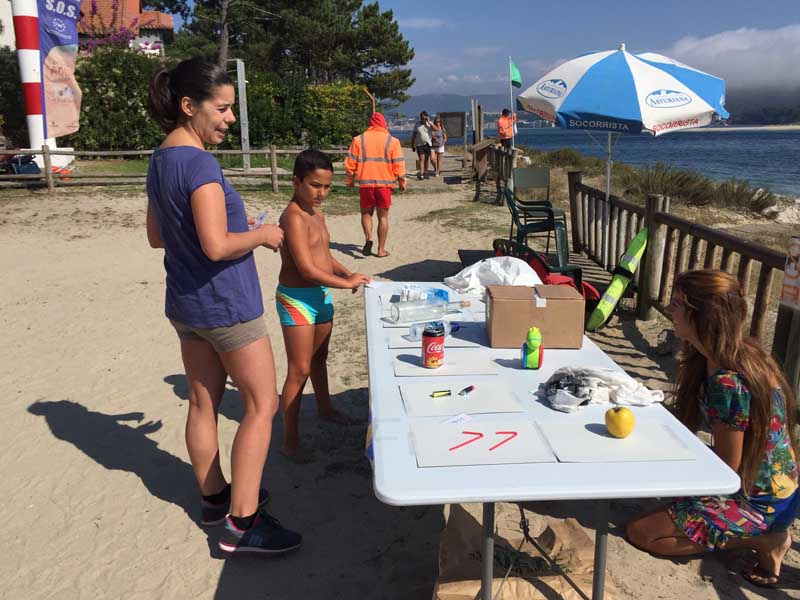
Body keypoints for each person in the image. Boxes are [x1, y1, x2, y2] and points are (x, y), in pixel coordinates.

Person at [145, 58, 301, 555]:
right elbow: (216, 246)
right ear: (189, 107)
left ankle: (216, 499)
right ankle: (243, 523)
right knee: (262, 404)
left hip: (186, 304)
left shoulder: (160, 159)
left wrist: (236, 230)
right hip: (226, 305)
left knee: (203, 402)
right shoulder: (200, 164)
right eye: (224, 108)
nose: (231, 118)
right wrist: (262, 234)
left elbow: (156, 236)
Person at [626, 269, 799, 589]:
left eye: (678, 303)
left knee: (644, 532)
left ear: (703, 315)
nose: (669, 309)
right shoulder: (741, 352)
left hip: (758, 500)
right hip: (779, 487)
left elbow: (726, 471)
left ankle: (766, 540)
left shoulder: (727, 382)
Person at [277, 149, 372, 463]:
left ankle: (325, 408)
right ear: (296, 181)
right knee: (299, 369)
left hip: (321, 294)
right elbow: (305, 267)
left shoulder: (317, 213)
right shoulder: (292, 216)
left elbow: (322, 255)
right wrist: (345, 284)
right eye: (315, 185)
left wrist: (345, 271)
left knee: (320, 358)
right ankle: (290, 440)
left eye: (327, 187)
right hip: (297, 299)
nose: (322, 193)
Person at [344, 112, 407, 258]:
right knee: (383, 218)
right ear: (384, 124)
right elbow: (398, 164)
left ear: (371, 124)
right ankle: (381, 250)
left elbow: (350, 164)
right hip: (385, 185)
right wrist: (402, 181)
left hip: (366, 184)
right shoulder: (393, 141)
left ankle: (368, 239)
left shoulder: (359, 140)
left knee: (366, 214)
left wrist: (349, 181)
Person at [410, 111, 433, 179]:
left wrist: (429, 122)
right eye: (421, 117)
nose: (422, 119)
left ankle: (426, 172)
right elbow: (414, 135)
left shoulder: (429, 124)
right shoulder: (417, 124)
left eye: (424, 117)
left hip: (428, 144)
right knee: (421, 158)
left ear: (426, 117)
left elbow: (436, 129)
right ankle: (421, 173)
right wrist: (412, 145)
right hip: (419, 144)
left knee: (426, 159)